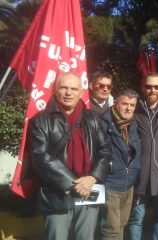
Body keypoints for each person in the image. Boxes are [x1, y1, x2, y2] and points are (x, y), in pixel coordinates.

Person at [29, 72, 111, 240]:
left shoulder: (93, 119)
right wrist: (74, 183)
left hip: (89, 190)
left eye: (74, 89)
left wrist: (92, 178)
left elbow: (105, 149)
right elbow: (41, 158)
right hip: (57, 193)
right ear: (55, 90)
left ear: (81, 92)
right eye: (64, 88)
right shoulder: (40, 120)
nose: (68, 93)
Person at [126, 72, 158, 240]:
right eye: (148, 86)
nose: (152, 90)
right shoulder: (132, 109)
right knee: (136, 219)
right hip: (139, 175)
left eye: (156, 87)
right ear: (142, 87)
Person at [100, 89, 141, 240]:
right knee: (111, 229)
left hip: (128, 183)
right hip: (111, 183)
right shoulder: (103, 122)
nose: (128, 108)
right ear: (116, 103)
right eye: (124, 104)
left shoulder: (133, 123)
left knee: (122, 224)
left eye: (132, 105)